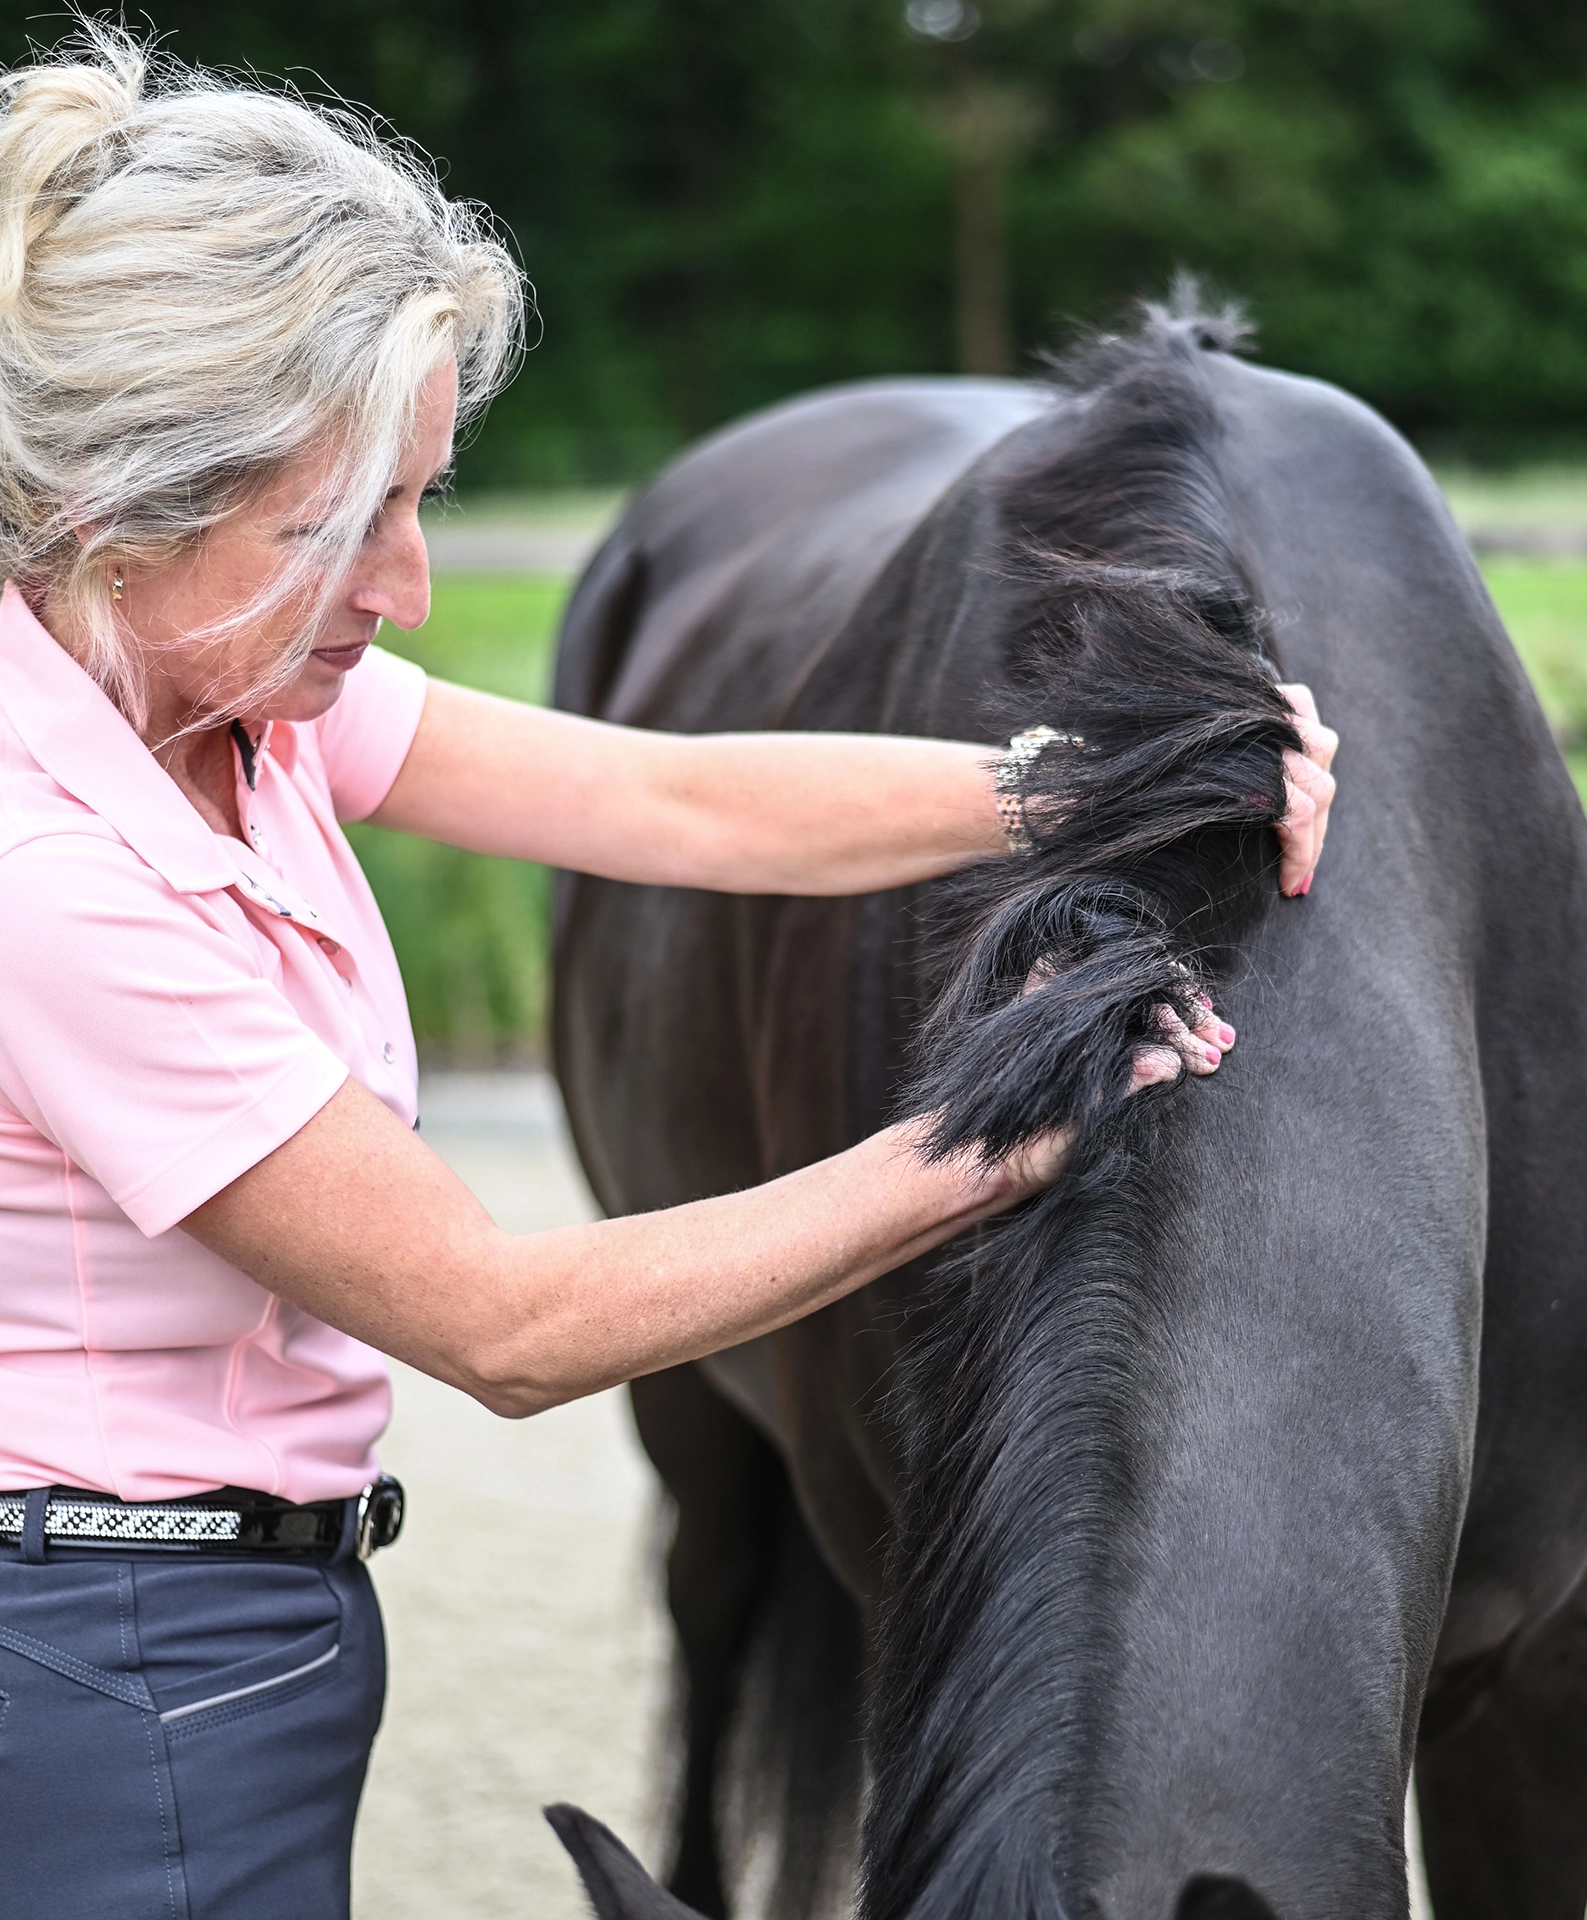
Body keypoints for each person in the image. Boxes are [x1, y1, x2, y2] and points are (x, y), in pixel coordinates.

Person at [0, 27, 1339, 1920]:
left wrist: (1080, 784)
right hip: (113, 1658)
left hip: (199, 1625)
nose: (405, 587)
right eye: (337, 525)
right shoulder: (53, 877)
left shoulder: (207, 680)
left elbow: (670, 799)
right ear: (113, 512)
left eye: (421, 500)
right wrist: (991, 1142)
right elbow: (505, 1323)